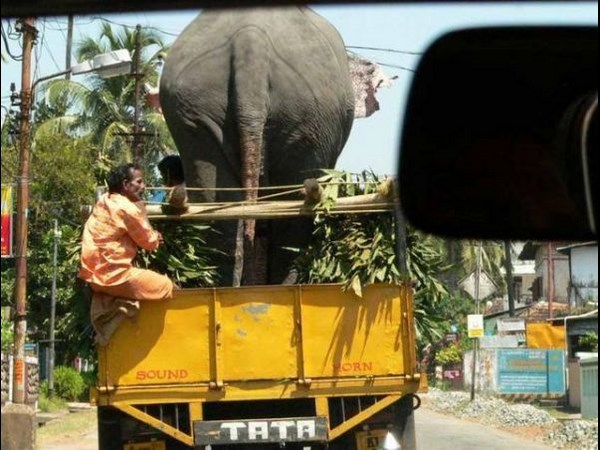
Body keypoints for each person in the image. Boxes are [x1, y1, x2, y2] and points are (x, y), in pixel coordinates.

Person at [79, 163, 174, 301]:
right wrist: (143, 213)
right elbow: (150, 243)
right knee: (166, 286)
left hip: (94, 277)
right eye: (139, 182)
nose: (143, 187)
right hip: (115, 277)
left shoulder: (104, 200)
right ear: (125, 184)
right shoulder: (127, 209)